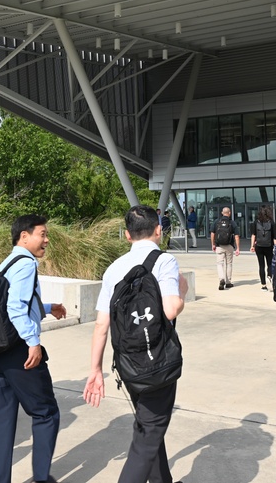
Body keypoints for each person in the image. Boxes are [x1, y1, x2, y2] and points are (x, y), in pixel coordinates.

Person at [84, 205, 188, 483]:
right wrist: (183, 290)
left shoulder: (113, 269)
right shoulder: (164, 261)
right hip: (158, 365)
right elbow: (170, 310)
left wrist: (95, 369)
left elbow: (101, 325)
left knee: (150, 427)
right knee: (147, 437)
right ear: (158, 230)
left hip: (129, 365)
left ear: (127, 236)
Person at [0, 214, 67, 483]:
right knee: (46, 412)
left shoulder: (5, 264)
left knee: (1, 420)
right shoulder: (26, 264)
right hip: (19, 353)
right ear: (24, 236)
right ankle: (41, 479)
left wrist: (45, 307)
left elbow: (8, 304)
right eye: (42, 234)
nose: (46, 240)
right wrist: (33, 343)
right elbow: (15, 307)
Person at [210, 206, 240, 290]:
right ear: (229, 213)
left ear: (222, 213)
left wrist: (213, 244)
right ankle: (228, 282)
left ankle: (221, 279)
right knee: (229, 264)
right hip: (229, 246)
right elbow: (237, 236)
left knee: (220, 263)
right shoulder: (232, 223)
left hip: (219, 246)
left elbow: (212, 234)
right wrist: (238, 248)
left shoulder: (217, 222)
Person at [249, 205, 276, 291]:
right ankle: (270, 275)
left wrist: (252, 246)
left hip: (259, 246)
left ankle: (263, 285)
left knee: (261, 266)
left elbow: (253, 235)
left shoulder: (256, 222)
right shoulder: (271, 222)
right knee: (270, 264)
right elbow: (274, 237)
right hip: (269, 246)